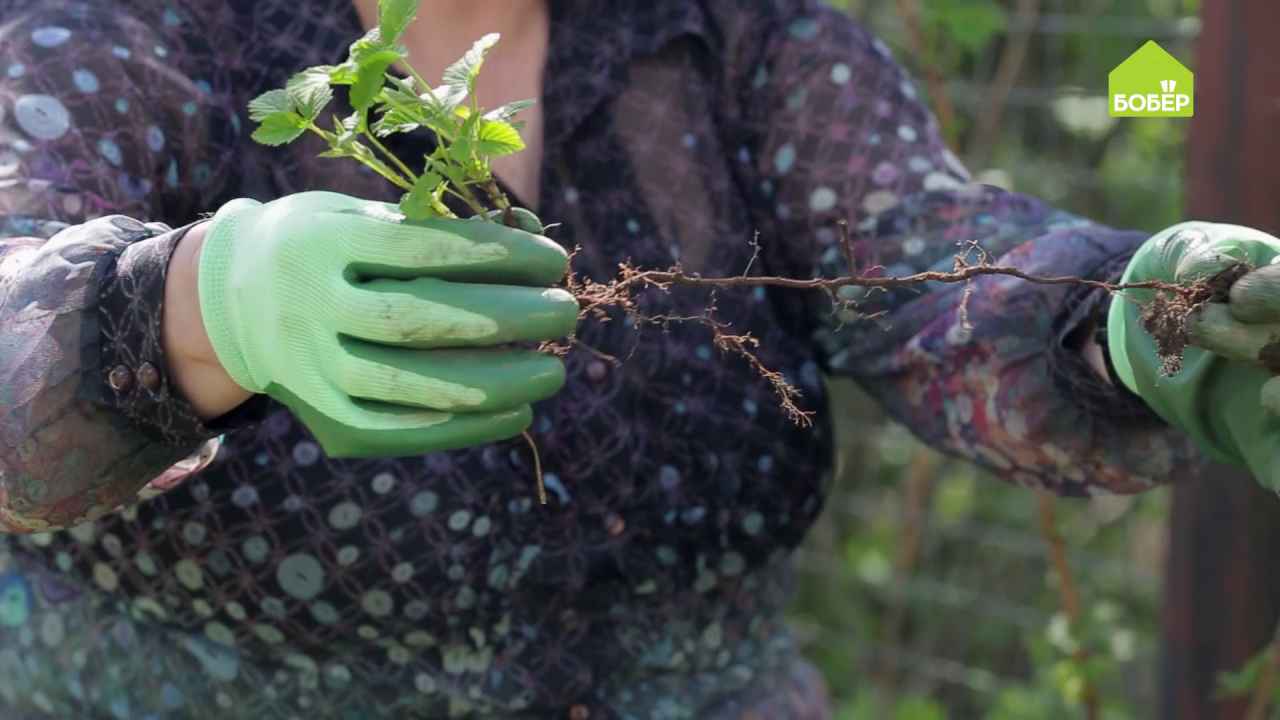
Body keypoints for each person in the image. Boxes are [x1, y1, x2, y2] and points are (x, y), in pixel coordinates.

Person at [1, 0, 1278, 717]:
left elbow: (926, 263)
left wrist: (1119, 320)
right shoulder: (125, 33)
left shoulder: (733, 39)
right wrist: (187, 308)